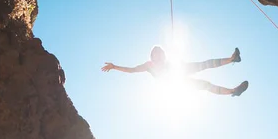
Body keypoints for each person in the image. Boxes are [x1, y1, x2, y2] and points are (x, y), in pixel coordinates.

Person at [101, 45, 249, 97]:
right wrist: (115, 67)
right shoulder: (149, 65)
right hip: (177, 84)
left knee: (204, 64)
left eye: (161, 53)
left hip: (179, 72)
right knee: (206, 85)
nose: (160, 55)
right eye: (157, 53)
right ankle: (232, 91)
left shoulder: (166, 61)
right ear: (152, 56)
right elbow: (132, 70)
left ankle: (232, 59)